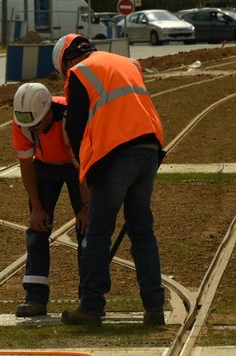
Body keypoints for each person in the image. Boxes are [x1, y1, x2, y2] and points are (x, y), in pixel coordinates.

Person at [51, 33, 167, 327]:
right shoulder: (127, 63)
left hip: (116, 153)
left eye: (63, 73)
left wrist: (86, 169)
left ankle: (91, 306)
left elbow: (76, 129)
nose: (66, 78)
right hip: (149, 149)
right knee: (142, 231)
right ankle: (154, 308)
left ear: (67, 61)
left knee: (98, 233)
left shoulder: (80, 73)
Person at [10, 82, 88, 318]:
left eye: (37, 124)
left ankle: (89, 298)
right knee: (37, 231)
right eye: (28, 125)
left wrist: (85, 207)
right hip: (44, 167)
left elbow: (83, 165)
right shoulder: (22, 122)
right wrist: (36, 207)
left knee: (88, 229)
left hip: (77, 168)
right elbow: (26, 165)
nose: (32, 130)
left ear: (48, 112)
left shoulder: (70, 118)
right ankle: (35, 297)